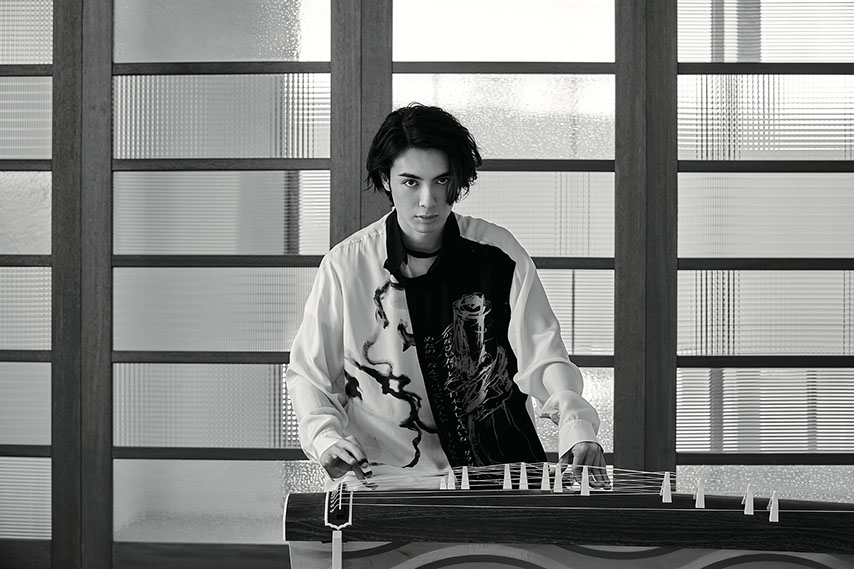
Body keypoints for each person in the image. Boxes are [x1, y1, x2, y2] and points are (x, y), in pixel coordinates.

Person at [285, 103, 610, 490]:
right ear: (386, 180)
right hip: (387, 477)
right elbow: (311, 373)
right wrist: (325, 438)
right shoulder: (347, 265)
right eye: (411, 182)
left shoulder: (498, 254)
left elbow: (543, 354)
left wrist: (576, 422)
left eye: (441, 181)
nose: (428, 200)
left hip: (500, 474)